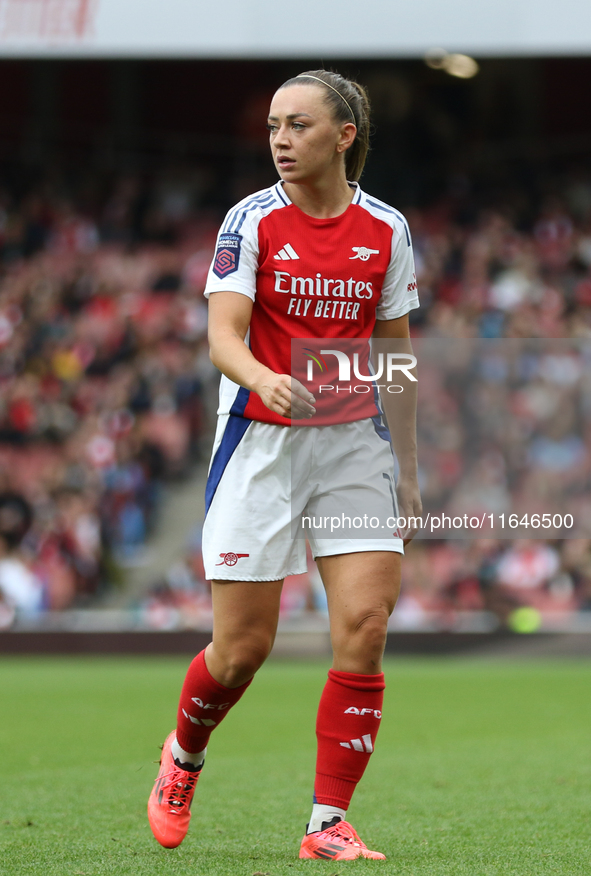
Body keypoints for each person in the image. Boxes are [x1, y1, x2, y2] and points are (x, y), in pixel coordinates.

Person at [147, 69, 421, 862]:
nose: (278, 140)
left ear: (344, 137)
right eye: (272, 126)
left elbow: (393, 347)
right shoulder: (251, 220)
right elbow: (221, 336)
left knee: (364, 627)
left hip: (352, 443)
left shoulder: (386, 229)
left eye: (297, 125)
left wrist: (405, 459)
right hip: (260, 443)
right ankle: (183, 757)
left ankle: (326, 821)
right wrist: (262, 375)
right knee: (241, 651)